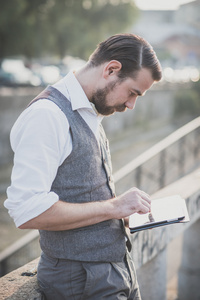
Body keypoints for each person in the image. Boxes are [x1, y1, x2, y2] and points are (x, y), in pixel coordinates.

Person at [5, 33, 162, 299]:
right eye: (133, 92)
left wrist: (120, 212)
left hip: (109, 274)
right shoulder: (46, 116)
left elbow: (80, 190)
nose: (131, 104)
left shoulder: (88, 109)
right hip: (81, 282)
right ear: (111, 70)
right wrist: (114, 206)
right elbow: (26, 210)